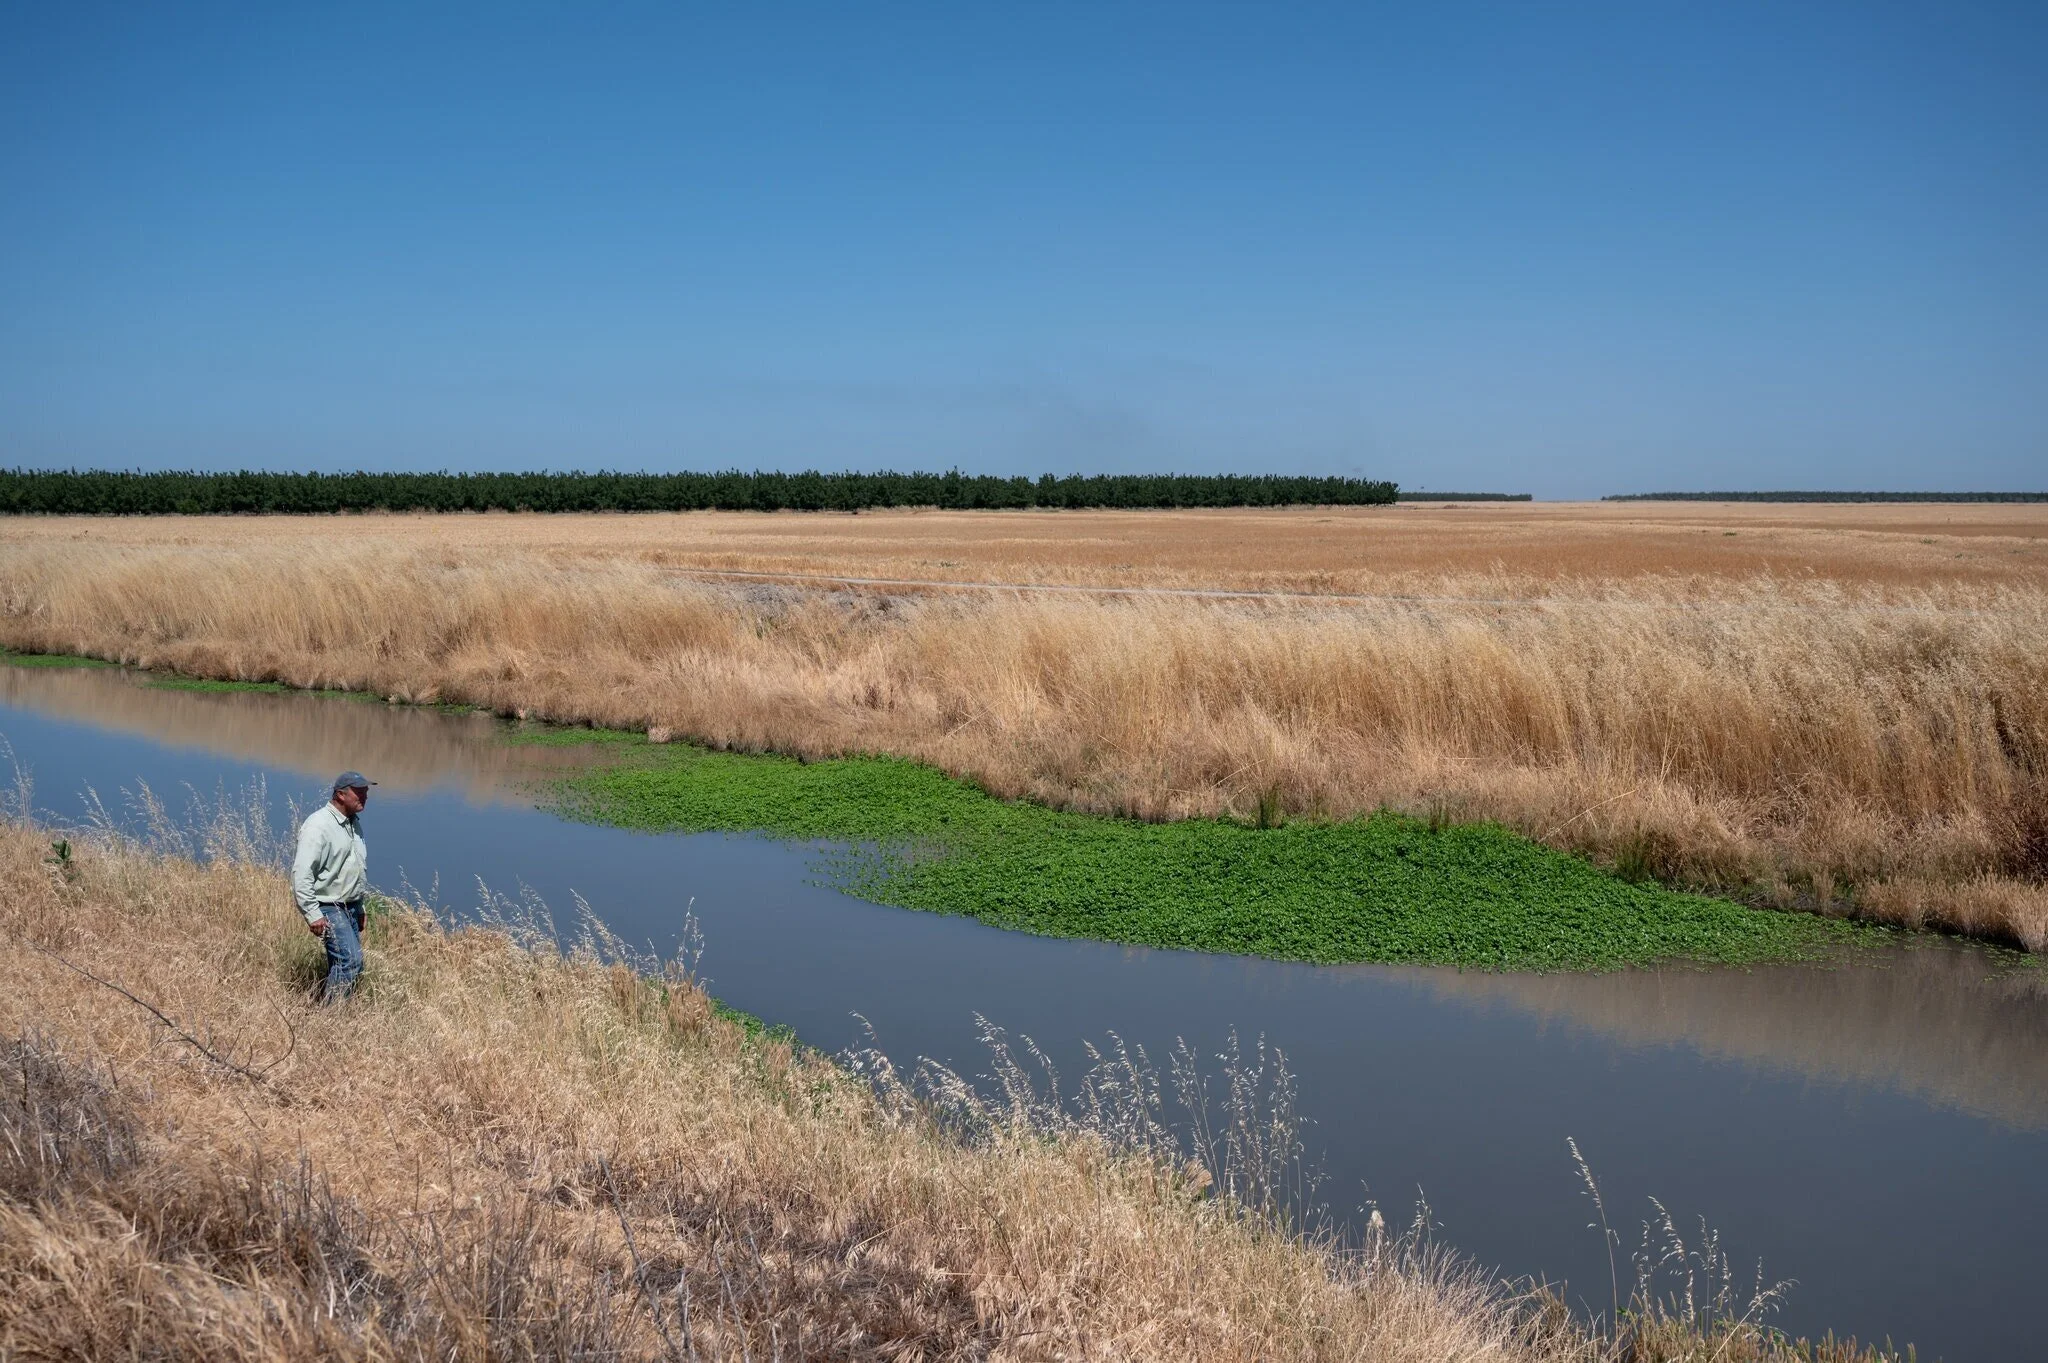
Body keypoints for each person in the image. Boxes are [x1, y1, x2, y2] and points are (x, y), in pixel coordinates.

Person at [293, 771, 376, 1002]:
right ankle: (330, 1021)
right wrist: (312, 913)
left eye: (366, 791)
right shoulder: (318, 825)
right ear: (340, 794)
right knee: (350, 962)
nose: (365, 796)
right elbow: (302, 873)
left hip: (349, 907)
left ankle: (328, 1014)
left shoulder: (353, 824)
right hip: (328, 907)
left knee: (343, 965)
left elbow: (352, 869)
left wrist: (359, 908)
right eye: (359, 792)